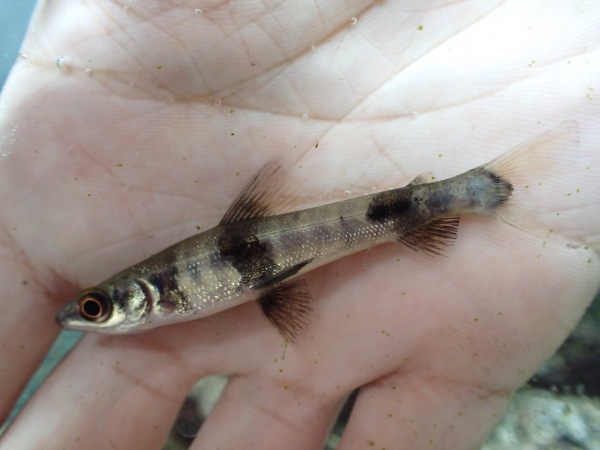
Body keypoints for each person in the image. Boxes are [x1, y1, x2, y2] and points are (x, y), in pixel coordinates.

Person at [0, 1, 598, 448]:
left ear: (136, 297)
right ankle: (467, 192)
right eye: (93, 310)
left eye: (96, 308)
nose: (86, 317)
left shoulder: (163, 296)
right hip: (275, 257)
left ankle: (475, 189)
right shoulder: (161, 298)